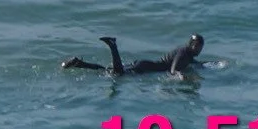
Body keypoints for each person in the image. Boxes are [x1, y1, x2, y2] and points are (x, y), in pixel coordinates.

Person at [62, 34, 205, 75]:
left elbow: (191, 63)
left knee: (108, 71)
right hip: (145, 68)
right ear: (192, 45)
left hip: (144, 65)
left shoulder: (188, 55)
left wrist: (205, 65)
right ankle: (113, 46)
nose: (200, 50)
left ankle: (79, 64)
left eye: (200, 47)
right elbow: (173, 70)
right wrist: (181, 76)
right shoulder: (183, 53)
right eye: (198, 47)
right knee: (118, 74)